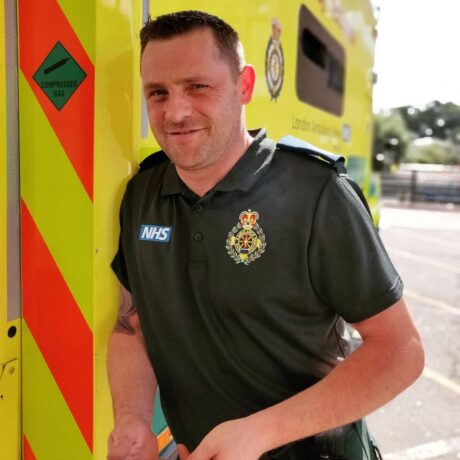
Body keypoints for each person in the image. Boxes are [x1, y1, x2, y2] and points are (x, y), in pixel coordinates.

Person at [107, 10, 424, 460]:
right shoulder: (142, 193)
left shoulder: (316, 193)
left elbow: (400, 350)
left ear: (245, 86)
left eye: (198, 86)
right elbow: (131, 325)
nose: (175, 111)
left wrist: (259, 433)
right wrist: (133, 419)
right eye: (157, 92)